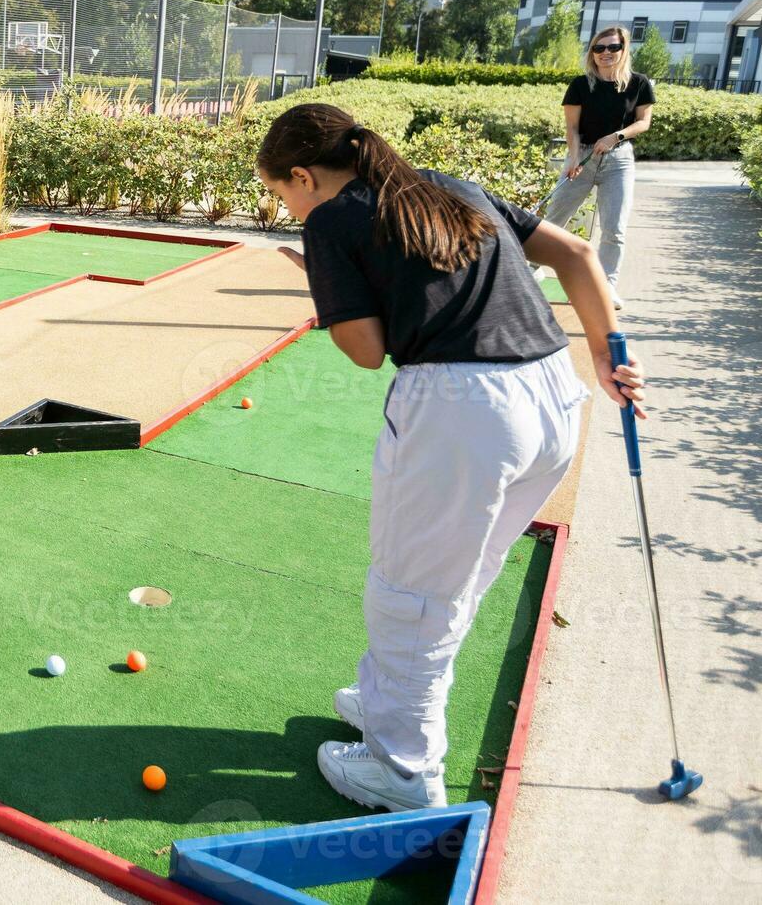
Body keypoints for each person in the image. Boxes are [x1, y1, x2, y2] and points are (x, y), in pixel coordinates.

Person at [260, 103, 646, 811]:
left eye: (282, 194)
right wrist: (605, 351)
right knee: (457, 577)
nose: (287, 208)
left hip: (463, 413)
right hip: (553, 396)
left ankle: (403, 772)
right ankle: (386, 706)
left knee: (412, 592)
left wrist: (323, 290)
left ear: (303, 175)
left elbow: (366, 350)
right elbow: (578, 255)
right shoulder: (449, 186)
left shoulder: (329, 221)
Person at [544, 26, 655, 311]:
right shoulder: (581, 84)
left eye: (612, 47)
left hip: (619, 160)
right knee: (552, 220)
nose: (605, 53)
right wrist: (572, 159)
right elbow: (571, 127)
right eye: (599, 48)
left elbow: (643, 122)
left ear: (623, 49)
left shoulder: (639, 83)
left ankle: (606, 287)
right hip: (582, 157)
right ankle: (528, 274)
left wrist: (616, 136)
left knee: (614, 229)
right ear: (592, 52)